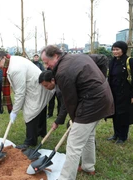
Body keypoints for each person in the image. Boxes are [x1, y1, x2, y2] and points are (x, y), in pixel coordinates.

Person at [40, 45, 114, 179]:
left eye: (47, 62)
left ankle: (66, 178)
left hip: (91, 104)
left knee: (74, 144)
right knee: (89, 136)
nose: (46, 66)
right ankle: (88, 167)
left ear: (56, 56)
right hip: (103, 99)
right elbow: (102, 59)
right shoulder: (78, 56)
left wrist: (75, 119)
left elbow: (70, 101)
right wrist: (102, 82)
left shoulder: (62, 72)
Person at [0, 50, 55, 149]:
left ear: (4, 58)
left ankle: (30, 141)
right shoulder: (12, 60)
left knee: (30, 112)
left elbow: (20, 93)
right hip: (35, 86)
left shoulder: (14, 69)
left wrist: (14, 112)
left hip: (37, 88)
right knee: (39, 108)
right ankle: (40, 132)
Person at [107, 41, 133, 144]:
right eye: (113, 49)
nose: (115, 52)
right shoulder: (112, 61)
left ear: (123, 50)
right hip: (114, 93)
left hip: (126, 93)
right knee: (115, 114)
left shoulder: (130, 61)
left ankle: (123, 136)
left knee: (124, 115)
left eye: (117, 49)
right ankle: (116, 134)